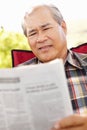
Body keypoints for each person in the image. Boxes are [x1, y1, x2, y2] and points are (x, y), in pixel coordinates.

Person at [20, 4, 87, 130]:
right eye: (33, 33)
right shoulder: (19, 76)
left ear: (63, 27)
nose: (40, 38)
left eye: (46, 29)